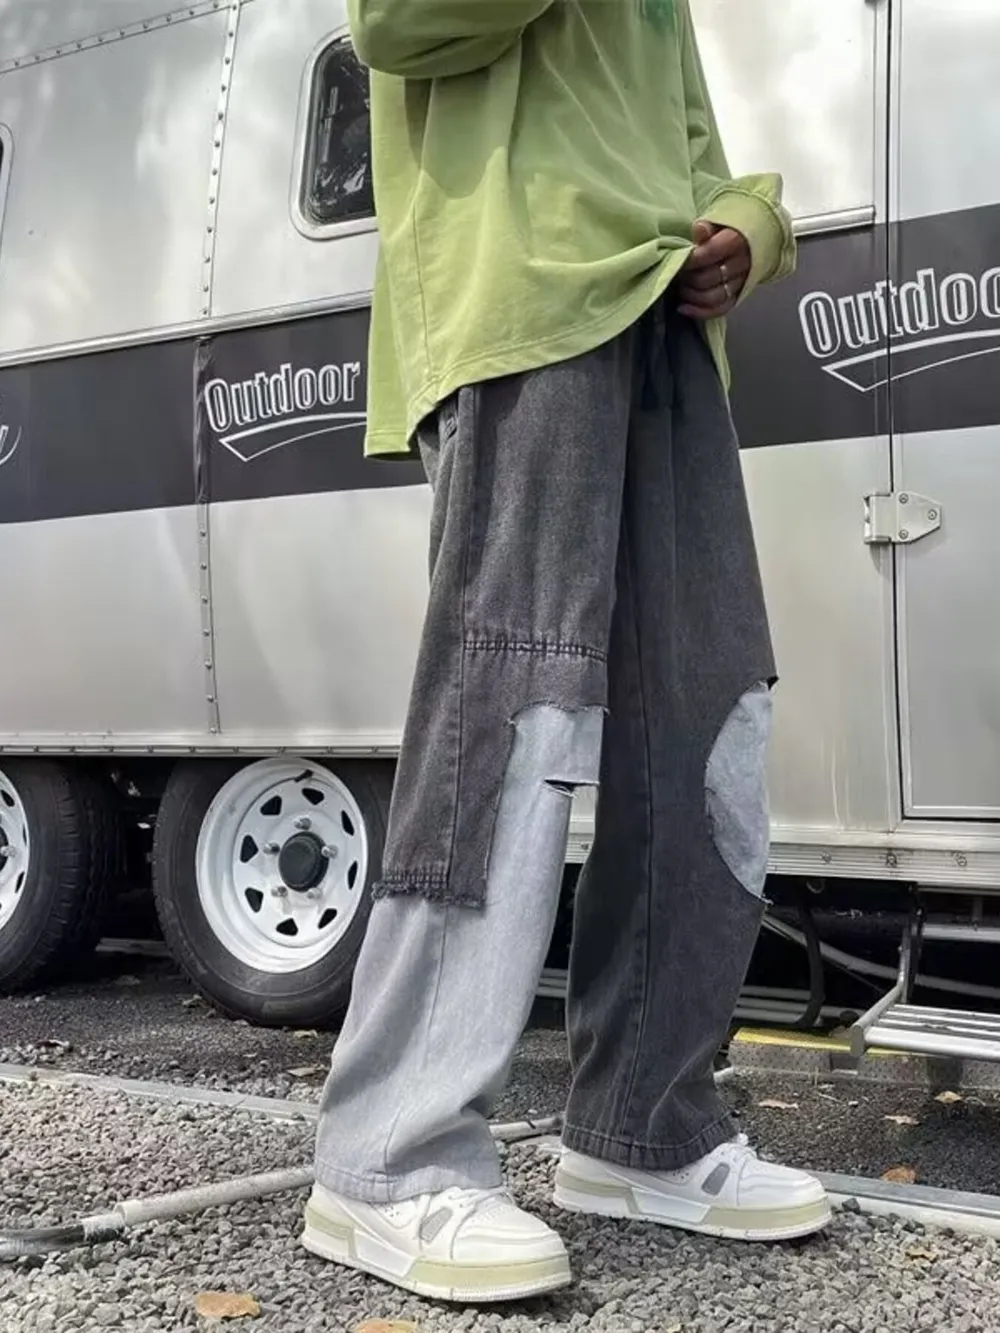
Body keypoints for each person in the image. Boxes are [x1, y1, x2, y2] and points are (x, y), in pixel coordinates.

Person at [302, 0, 831, 1303]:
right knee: (512, 701)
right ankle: (390, 1155)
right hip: (520, 304)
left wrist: (746, 231)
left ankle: (644, 1128)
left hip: (667, 332)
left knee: (713, 726)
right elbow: (395, 26)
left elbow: (697, 148)